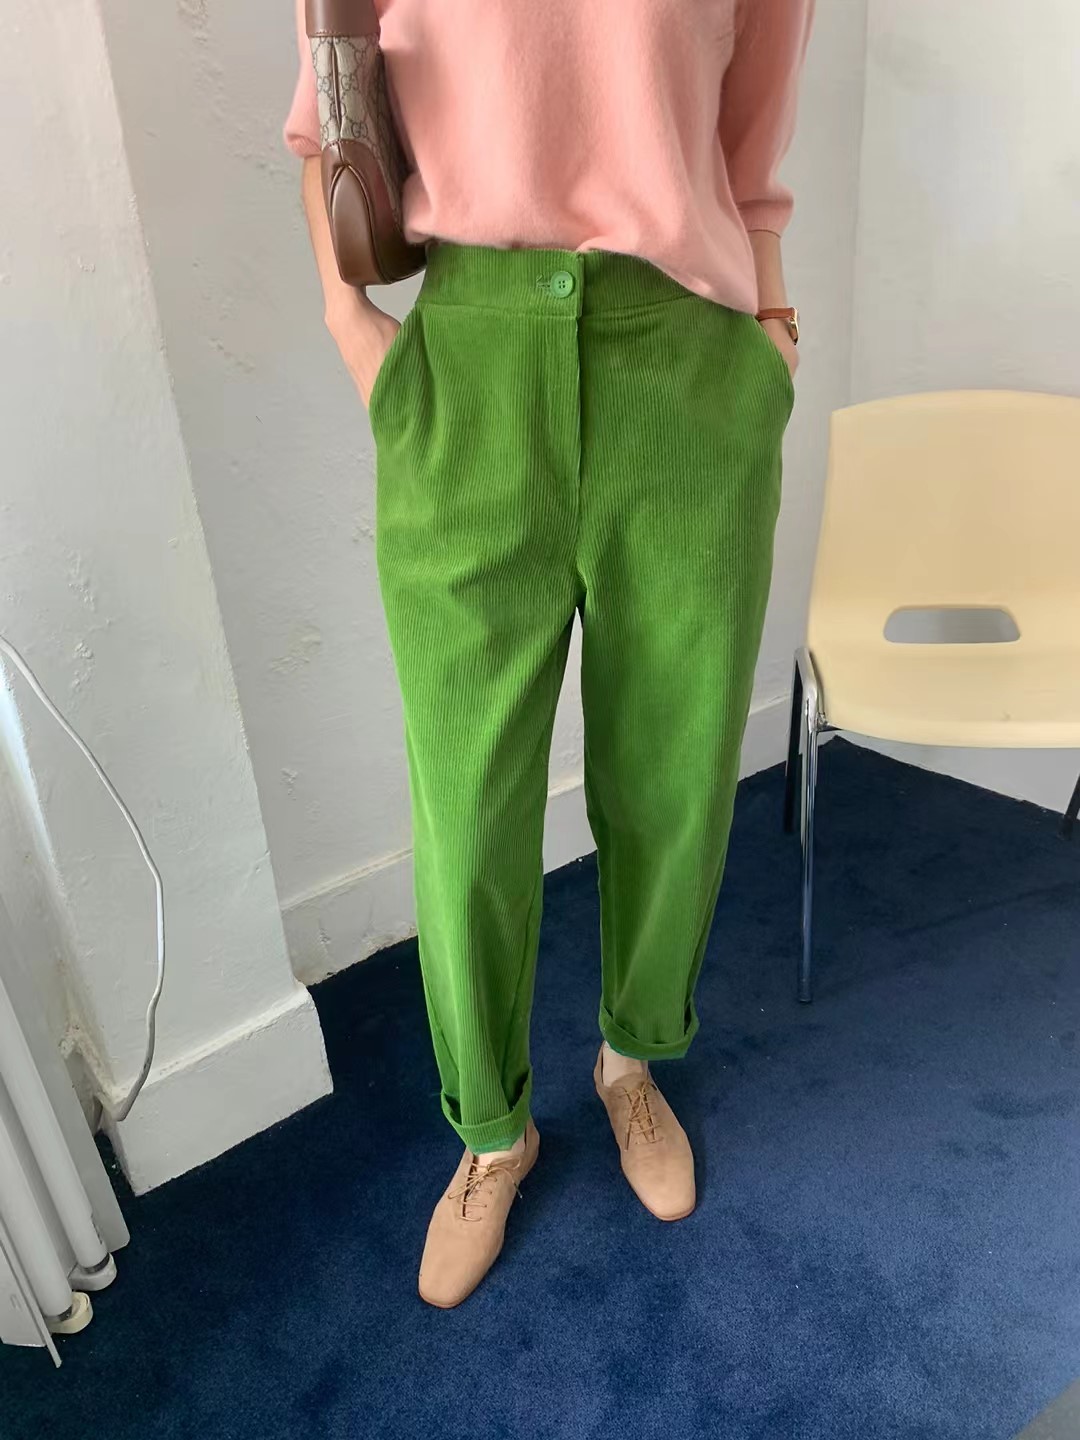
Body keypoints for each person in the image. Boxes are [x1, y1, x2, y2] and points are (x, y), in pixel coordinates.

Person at [285, 0, 815, 1309]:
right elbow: (325, 119)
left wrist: (771, 335)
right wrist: (354, 327)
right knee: (464, 805)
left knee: (674, 774)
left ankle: (632, 1061)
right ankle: (491, 1132)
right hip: (468, 376)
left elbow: (748, 152)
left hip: (683, 372)